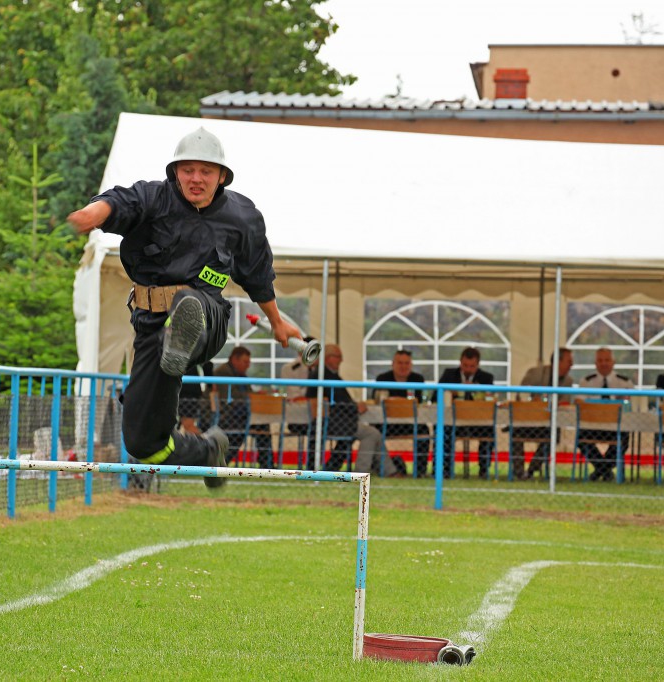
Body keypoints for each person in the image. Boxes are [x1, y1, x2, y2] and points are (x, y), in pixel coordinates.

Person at [67, 127, 301, 489]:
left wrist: (278, 321)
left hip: (208, 319)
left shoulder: (242, 217)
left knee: (188, 301)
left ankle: (182, 336)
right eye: (187, 169)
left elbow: (257, 275)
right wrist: (93, 213)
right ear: (175, 172)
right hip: (151, 329)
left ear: (221, 176)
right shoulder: (153, 198)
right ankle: (207, 451)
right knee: (143, 443)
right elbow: (120, 201)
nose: (196, 178)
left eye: (206, 171)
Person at [306, 344, 399, 476]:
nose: (341, 360)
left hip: (337, 421)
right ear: (327, 358)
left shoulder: (325, 374)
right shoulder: (325, 376)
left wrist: (352, 406)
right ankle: (363, 471)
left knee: (374, 433)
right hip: (335, 422)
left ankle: (389, 471)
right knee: (371, 433)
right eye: (338, 357)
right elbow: (337, 403)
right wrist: (355, 407)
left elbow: (338, 400)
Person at [512, 348, 575, 480]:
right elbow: (521, 394)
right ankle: (518, 472)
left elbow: (565, 402)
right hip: (528, 420)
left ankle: (531, 470)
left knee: (553, 435)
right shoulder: (536, 373)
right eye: (569, 361)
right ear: (558, 361)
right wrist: (534, 401)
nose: (571, 365)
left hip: (548, 424)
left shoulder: (568, 381)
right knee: (515, 432)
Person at [436, 347, 495, 478]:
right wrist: (451, 393)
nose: (468, 369)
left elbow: (490, 399)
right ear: (460, 362)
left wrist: (476, 392)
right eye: (465, 365)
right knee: (441, 429)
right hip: (453, 422)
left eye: (472, 366)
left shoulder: (486, 378)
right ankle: (444, 469)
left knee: (490, 430)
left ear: (477, 365)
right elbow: (436, 396)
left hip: (478, 423)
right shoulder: (449, 375)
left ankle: (484, 469)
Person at [578, 347, 634, 481]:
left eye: (607, 360)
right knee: (581, 437)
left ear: (613, 362)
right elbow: (578, 401)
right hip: (593, 426)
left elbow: (628, 403)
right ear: (595, 363)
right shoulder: (586, 382)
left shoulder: (624, 382)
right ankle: (605, 470)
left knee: (624, 438)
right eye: (600, 360)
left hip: (616, 426)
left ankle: (600, 471)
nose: (604, 363)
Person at [373, 349, 430, 477]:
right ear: (393, 364)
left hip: (410, 423)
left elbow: (419, 403)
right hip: (387, 423)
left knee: (425, 431)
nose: (403, 366)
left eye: (406, 363)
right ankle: (382, 467)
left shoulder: (418, 379)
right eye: (400, 363)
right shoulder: (382, 379)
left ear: (411, 365)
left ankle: (420, 471)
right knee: (373, 432)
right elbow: (377, 402)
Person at [215, 347, 274, 469]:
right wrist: (252, 396)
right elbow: (228, 398)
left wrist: (256, 396)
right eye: (245, 362)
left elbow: (248, 394)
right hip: (227, 416)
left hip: (242, 415)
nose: (248, 365)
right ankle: (221, 462)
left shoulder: (242, 375)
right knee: (243, 431)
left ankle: (267, 463)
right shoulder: (223, 372)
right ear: (234, 359)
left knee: (263, 425)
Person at [178, 360, 214, 434]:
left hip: (187, 390)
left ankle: (206, 443)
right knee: (185, 424)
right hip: (188, 389)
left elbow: (207, 364)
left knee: (188, 425)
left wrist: (210, 383)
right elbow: (207, 363)